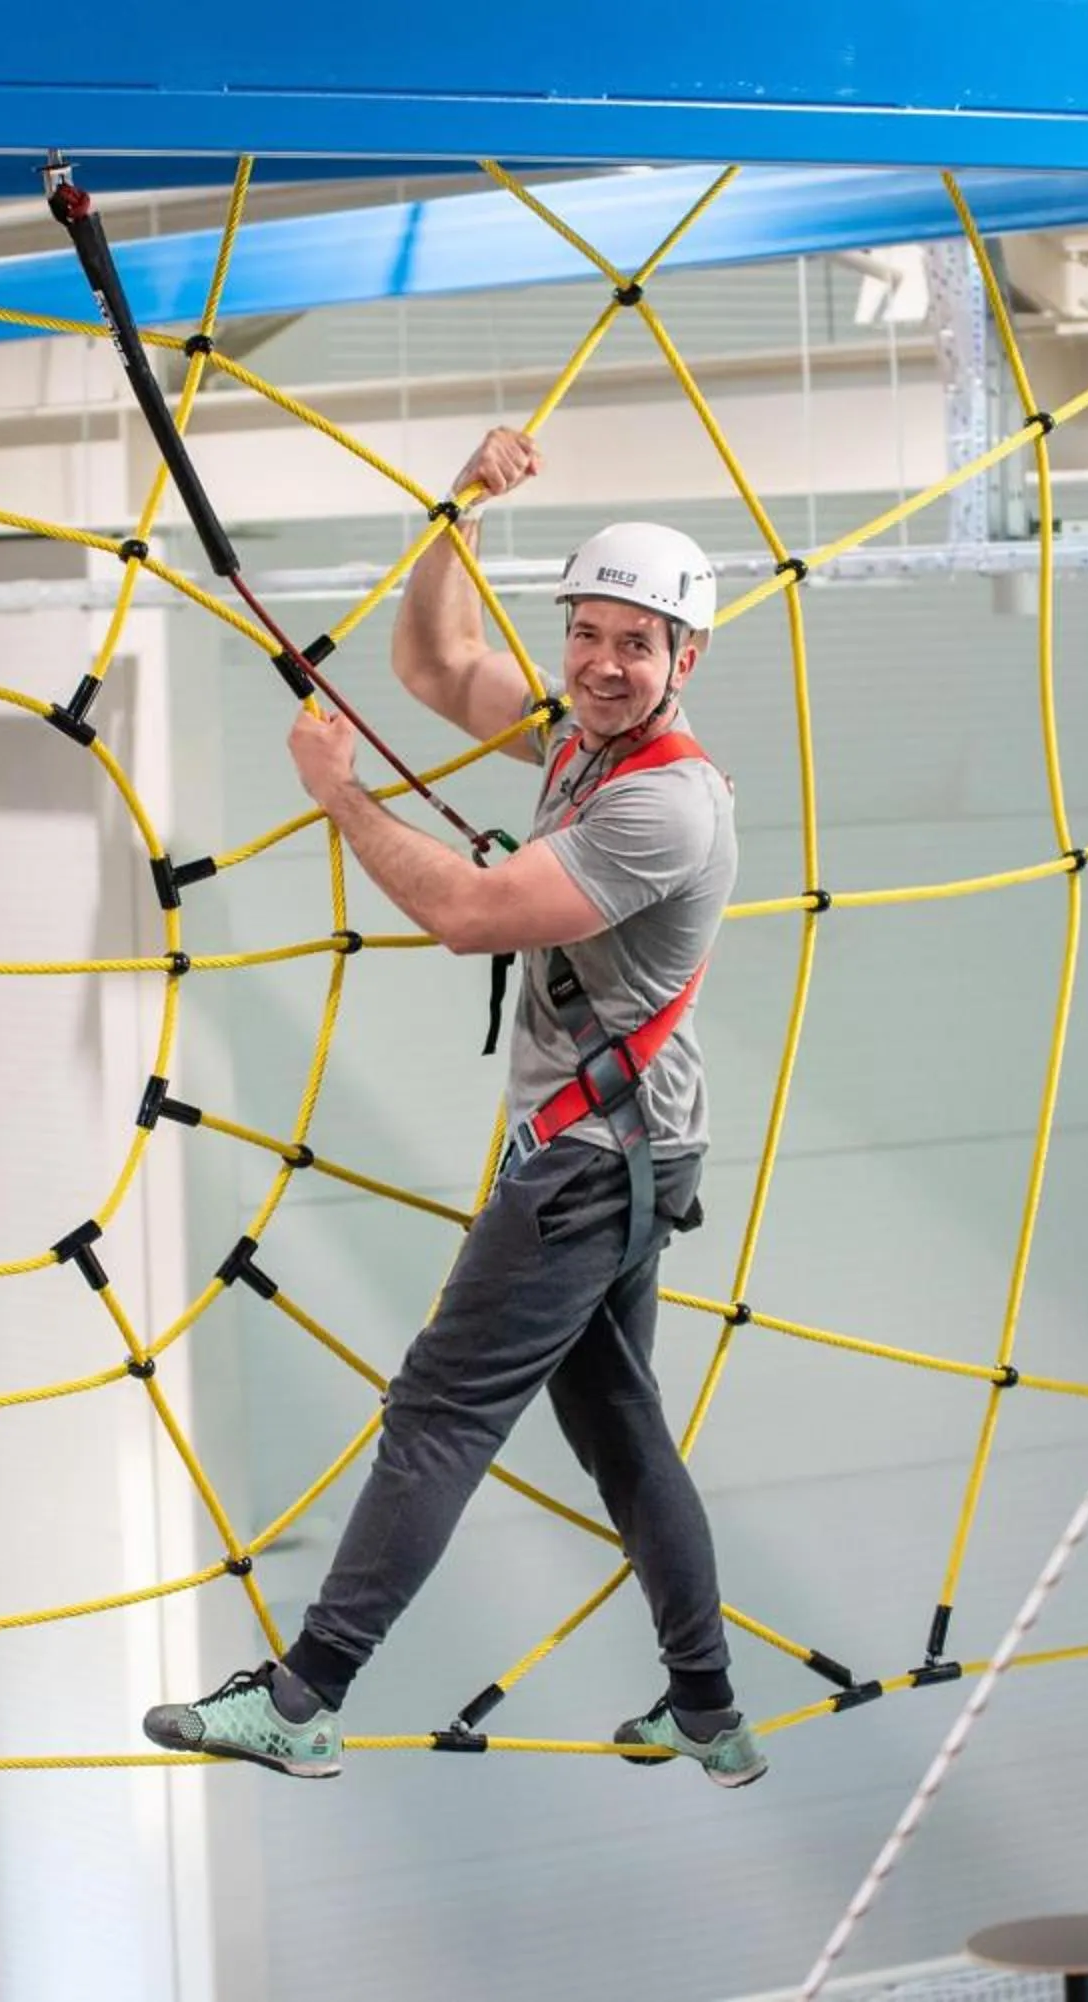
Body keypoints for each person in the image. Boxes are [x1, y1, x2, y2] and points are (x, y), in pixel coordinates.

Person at [143, 426, 760, 1787]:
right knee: (617, 1421)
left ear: (685, 660)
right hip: (620, 1151)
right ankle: (707, 1705)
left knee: (439, 1408)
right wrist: (457, 511)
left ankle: (306, 1693)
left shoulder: (668, 807)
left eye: (635, 644)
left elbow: (472, 914)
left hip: (592, 1161)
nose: (602, 662)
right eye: (587, 634)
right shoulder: (582, 745)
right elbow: (434, 664)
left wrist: (339, 797)